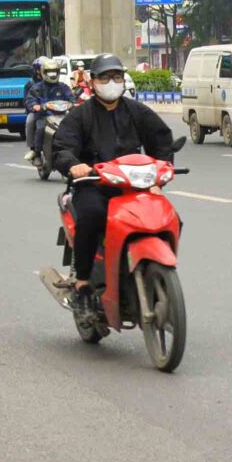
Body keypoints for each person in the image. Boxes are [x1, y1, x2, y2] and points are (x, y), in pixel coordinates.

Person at [47, 55, 178, 317]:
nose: (111, 83)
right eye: (104, 78)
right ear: (93, 82)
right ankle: (83, 283)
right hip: (94, 184)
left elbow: (161, 140)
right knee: (93, 216)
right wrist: (74, 165)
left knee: (168, 214)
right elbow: (62, 147)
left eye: (117, 77)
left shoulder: (136, 111)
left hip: (133, 185)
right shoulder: (80, 115)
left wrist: (162, 168)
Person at [22, 57, 75, 165]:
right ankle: (36, 153)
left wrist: (74, 104)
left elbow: (71, 99)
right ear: (43, 72)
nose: (52, 75)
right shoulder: (36, 87)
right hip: (43, 116)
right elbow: (30, 101)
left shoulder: (63, 87)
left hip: (62, 116)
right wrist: (36, 106)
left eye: (54, 72)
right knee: (40, 128)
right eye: (49, 72)